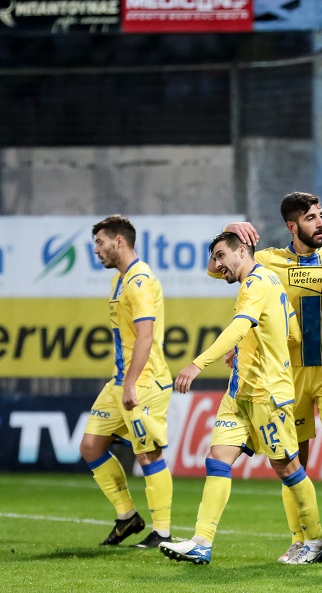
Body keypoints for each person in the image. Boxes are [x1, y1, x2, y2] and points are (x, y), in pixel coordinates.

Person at [223, 192, 322, 565]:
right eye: (310, 218)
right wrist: (230, 232)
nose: (320, 223)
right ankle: (302, 541)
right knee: (292, 459)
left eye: (321, 215)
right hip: (289, 376)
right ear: (292, 226)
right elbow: (217, 267)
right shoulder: (268, 260)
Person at [159, 231, 317, 565]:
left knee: (288, 468)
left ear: (242, 251)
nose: (217, 265)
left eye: (221, 255)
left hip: (267, 395)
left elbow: (240, 325)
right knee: (217, 459)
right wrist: (247, 346)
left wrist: (198, 363)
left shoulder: (256, 283)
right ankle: (202, 542)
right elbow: (293, 334)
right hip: (239, 393)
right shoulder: (268, 282)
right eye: (215, 257)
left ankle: (314, 542)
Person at [79, 214, 174, 549]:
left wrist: (131, 383)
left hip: (145, 381)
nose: (96, 250)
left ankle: (162, 532)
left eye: (100, 242)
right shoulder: (119, 280)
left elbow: (145, 337)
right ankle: (128, 516)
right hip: (120, 381)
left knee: (148, 454)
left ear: (119, 241)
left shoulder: (140, 280)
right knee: (91, 446)